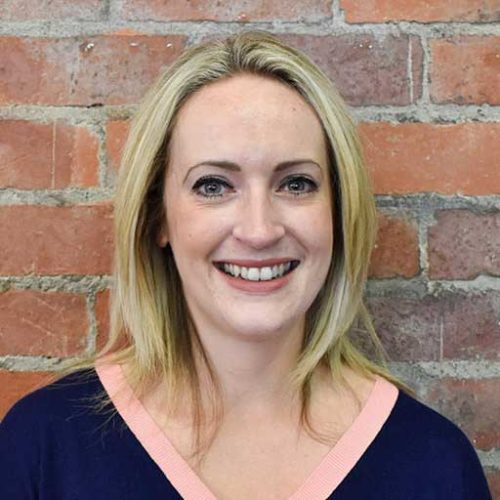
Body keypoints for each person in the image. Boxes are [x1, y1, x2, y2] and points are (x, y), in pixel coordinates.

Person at [0, 30, 492, 500]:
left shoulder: (434, 464)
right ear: (158, 217)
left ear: (338, 213)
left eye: (296, 184)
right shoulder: (44, 447)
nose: (259, 230)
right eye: (213, 186)